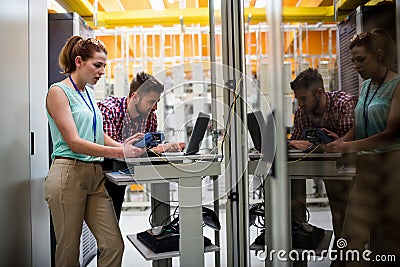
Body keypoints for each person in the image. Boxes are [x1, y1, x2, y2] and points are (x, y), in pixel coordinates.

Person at [45, 35, 145, 267]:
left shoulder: (89, 93)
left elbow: (96, 133)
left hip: (95, 176)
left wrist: (124, 146)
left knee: (113, 245)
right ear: (79, 61)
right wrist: (120, 154)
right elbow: (75, 142)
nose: (102, 71)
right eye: (97, 65)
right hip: (68, 174)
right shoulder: (58, 93)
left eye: (104, 66)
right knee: (68, 252)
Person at [324, 28, 400, 266]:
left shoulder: (397, 86)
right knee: (350, 242)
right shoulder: (365, 87)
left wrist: (348, 148)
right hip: (365, 170)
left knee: (386, 246)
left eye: (360, 60)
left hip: (391, 169)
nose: (355, 66)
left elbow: (391, 133)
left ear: (378, 55)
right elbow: (359, 126)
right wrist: (341, 142)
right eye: (352, 61)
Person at [288, 68, 357, 266]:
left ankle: (343, 255)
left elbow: (344, 148)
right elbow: (297, 142)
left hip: (351, 170)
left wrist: (312, 146)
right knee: (337, 213)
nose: (300, 104)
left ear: (319, 93)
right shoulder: (302, 112)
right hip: (327, 170)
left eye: (303, 98)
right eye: (298, 100)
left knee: (344, 213)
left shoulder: (344, 103)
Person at [98, 71, 185, 221]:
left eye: (157, 102)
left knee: (113, 220)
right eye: (151, 102)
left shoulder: (150, 116)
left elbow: (148, 148)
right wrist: (145, 149)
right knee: (107, 221)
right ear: (135, 97)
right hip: (101, 173)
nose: (155, 108)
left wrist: (163, 148)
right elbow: (109, 148)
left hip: (125, 169)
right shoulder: (108, 109)